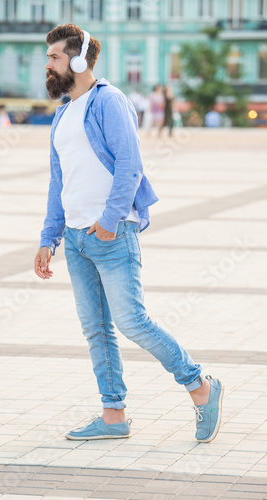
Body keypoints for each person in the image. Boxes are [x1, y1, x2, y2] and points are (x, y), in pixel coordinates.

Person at [34, 23, 224, 443]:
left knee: (133, 322)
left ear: (79, 60)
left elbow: (129, 165)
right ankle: (113, 414)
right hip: (78, 239)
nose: (47, 64)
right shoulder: (63, 114)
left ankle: (201, 387)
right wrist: (50, 237)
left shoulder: (109, 100)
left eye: (54, 57)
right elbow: (57, 181)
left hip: (111, 233)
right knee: (96, 329)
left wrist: (110, 218)